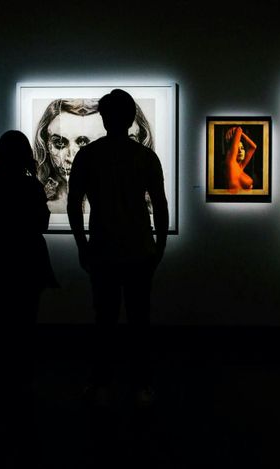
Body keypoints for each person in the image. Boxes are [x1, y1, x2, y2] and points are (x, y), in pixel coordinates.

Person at [67, 89, 168, 408]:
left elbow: (73, 204)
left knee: (104, 321)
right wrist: (159, 245)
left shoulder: (89, 155)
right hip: (138, 249)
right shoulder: (144, 156)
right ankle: (141, 385)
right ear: (130, 118)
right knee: (140, 321)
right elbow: (160, 206)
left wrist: (82, 245)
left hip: (103, 249)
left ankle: (101, 383)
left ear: (104, 117)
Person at [0, 130, 58, 401]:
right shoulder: (30, 186)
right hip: (27, 259)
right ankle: (22, 380)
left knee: (0, 320)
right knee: (24, 322)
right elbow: (41, 223)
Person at [33, 98, 154, 214]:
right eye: (59, 143)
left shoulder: (145, 158)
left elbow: (159, 202)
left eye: (82, 142)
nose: (70, 157)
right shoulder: (90, 155)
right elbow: (75, 204)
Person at [223, 125, 256, 192]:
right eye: (237, 148)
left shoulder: (240, 166)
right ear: (231, 151)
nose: (240, 151)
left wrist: (241, 134)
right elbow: (239, 129)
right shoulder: (230, 163)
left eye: (242, 148)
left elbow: (253, 147)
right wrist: (236, 129)